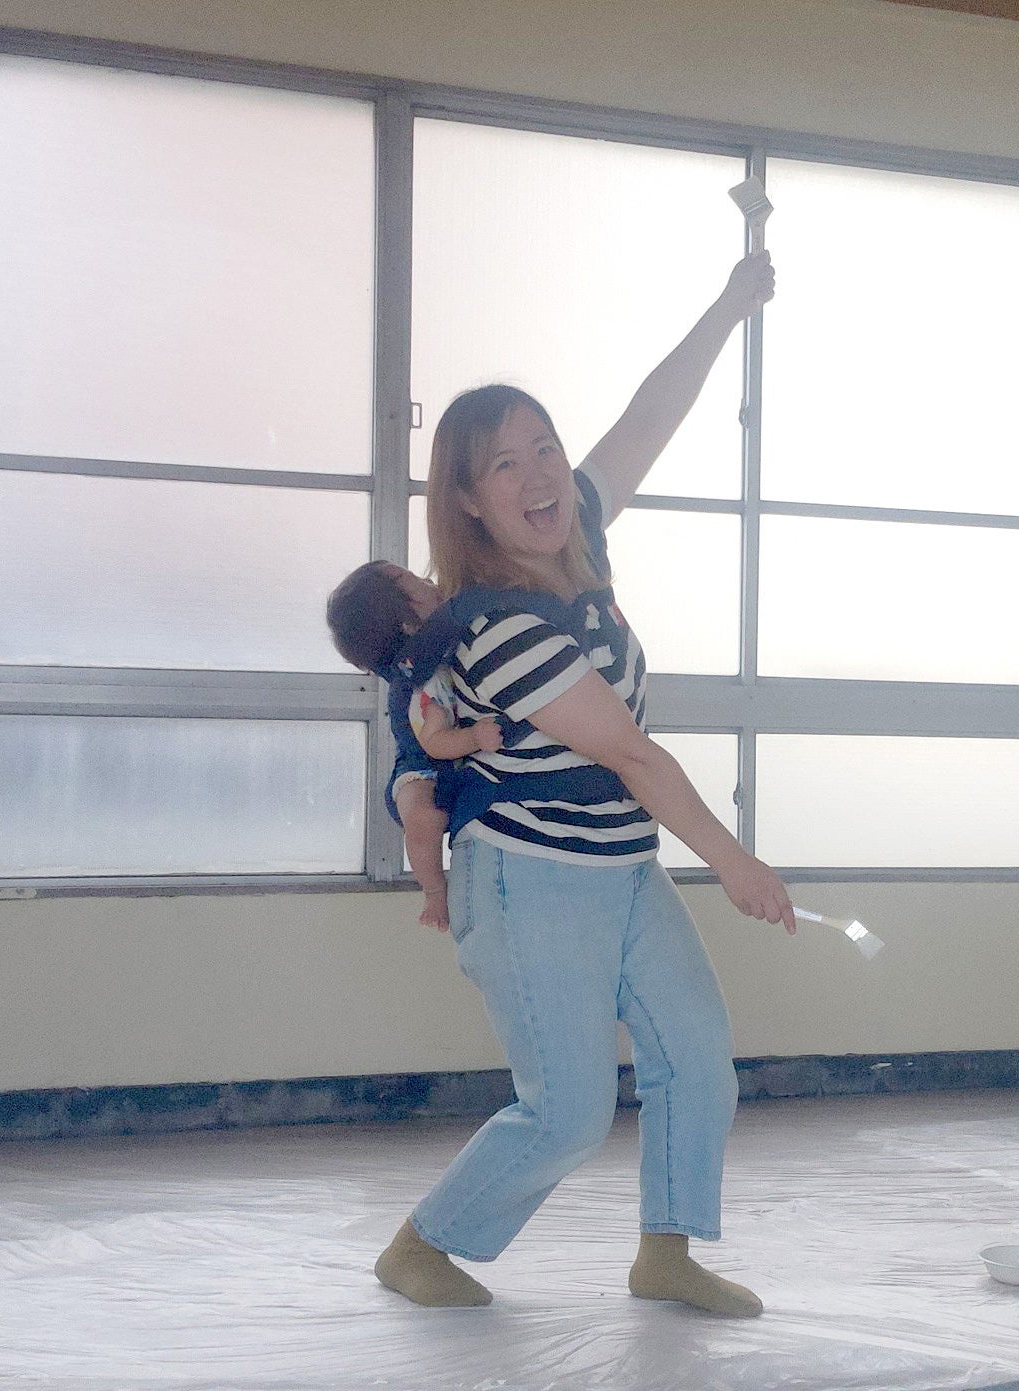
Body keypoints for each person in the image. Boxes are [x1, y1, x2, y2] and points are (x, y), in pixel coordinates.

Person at [373, 252, 795, 1315]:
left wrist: (728, 307)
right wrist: (735, 862)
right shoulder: (494, 623)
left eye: (545, 449)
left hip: (621, 865)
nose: (538, 476)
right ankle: (421, 1245)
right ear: (468, 502)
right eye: (502, 465)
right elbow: (633, 755)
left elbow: (651, 415)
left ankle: (666, 1250)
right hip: (530, 878)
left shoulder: (578, 541)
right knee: (565, 1111)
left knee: (694, 1056)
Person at [327, 560, 506, 929]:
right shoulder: (418, 682)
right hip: (422, 767)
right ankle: (434, 891)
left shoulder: (441, 638)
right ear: (407, 623)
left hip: (461, 762)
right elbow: (435, 743)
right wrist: (474, 737)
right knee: (422, 818)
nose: (430, 582)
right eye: (414, 581)